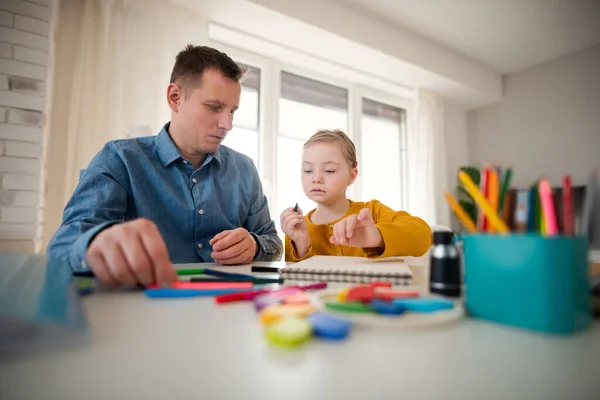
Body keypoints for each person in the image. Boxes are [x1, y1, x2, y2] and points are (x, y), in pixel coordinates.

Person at [47, 45, 282, 286]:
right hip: (145, 310)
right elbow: (63, 246)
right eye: (214, 107)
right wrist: (96, 243)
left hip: (231, 306)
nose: (227, 124)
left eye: (232, 111)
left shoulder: (244, 169)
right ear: (175, 98)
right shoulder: (120, 159)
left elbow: (273, 243)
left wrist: (254, 245)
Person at [280, 129, 431, 261]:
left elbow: (424, 236)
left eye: (329, 170)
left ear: (352, 176)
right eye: (308, 170)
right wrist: (301, 244)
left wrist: (377, 237)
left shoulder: (372, 212)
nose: (316, 178)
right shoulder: (297, 228)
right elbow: (294, 285)